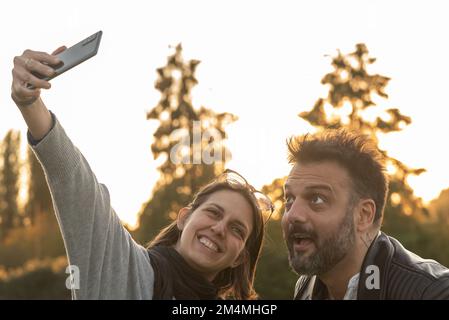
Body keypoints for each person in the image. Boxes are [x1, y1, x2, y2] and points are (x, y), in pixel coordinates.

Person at [10, 48, 273, 300]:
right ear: (184, 218)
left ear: (240, 257)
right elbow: (76, 183)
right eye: (213, 212)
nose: (219, 229)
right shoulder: (128, 271)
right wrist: (30, 103)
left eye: (237, 229)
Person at [282, 129, 449, 299]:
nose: (292, 214)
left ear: (363, 215)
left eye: (317, 199)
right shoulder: (306, 287)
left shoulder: (432, 292)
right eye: (289, 199)